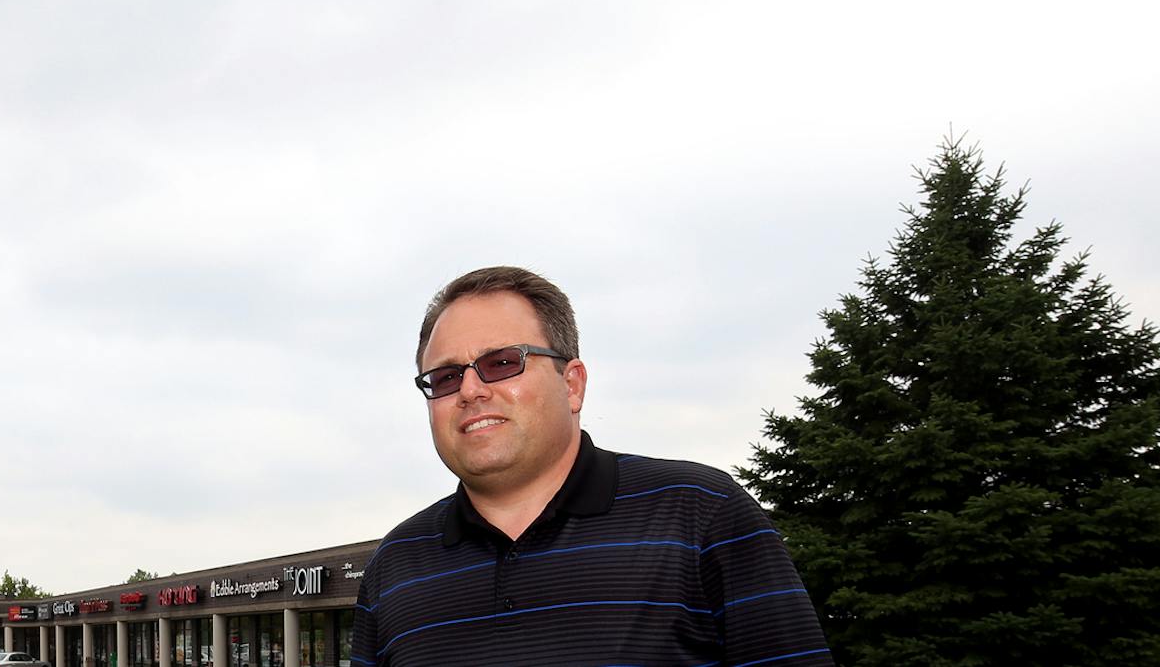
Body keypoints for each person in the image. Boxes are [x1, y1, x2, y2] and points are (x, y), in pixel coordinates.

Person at [350, 266, 829, 666]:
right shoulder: (395, 566)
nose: (472, 390)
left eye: (501, 363)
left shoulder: (701, 514)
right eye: (447, 376)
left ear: (572, 384)